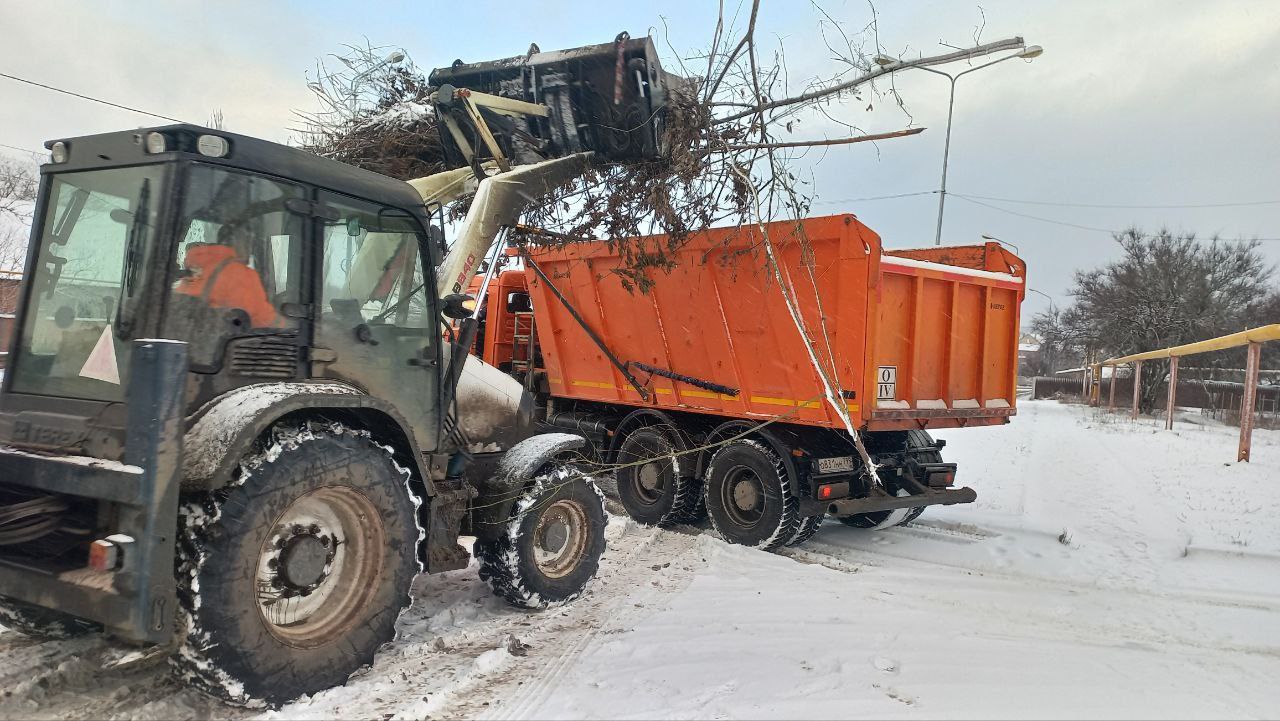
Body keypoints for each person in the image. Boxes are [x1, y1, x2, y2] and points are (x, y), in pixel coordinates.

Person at [173, 224, 280, 327]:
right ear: (237, 241)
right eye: (248, 242)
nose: (250, 250)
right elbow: (266, 320)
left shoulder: (193, 269)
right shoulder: (240, 274)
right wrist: (292, 325)